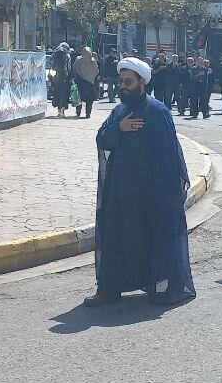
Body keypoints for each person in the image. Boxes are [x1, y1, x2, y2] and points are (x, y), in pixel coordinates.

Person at [84, 57, 196, 307]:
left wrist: (166, 195)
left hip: (150, 193)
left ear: (142, 82)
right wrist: (120, 128)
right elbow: (102, 139)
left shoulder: (158, 111)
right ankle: (109, 290)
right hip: (120, 192)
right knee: (115, 237)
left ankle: (160, 288)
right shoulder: (119, 111)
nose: (123, 86)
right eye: (121, 81)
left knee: (153, 238)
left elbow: (169, 157)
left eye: (128, 82)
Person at [72, 47, 99, 119]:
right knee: (89, 100)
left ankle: (78, 111)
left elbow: (75, 68)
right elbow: (96, 71)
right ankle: (88, 113)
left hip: (80, 81)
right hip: (90, 83)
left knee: (79, 98)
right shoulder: (93, 61)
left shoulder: (78, 59)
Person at [49, 43, 74, 118]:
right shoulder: (67, 56)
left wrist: (51, 78)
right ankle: (62, 112)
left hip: (56, 78)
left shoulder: (54, 55)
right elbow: (69, 68)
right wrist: (70, 77)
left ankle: (58, 111)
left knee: (57, 93)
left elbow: (51, 65)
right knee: (64, 95)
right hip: (65, 78)